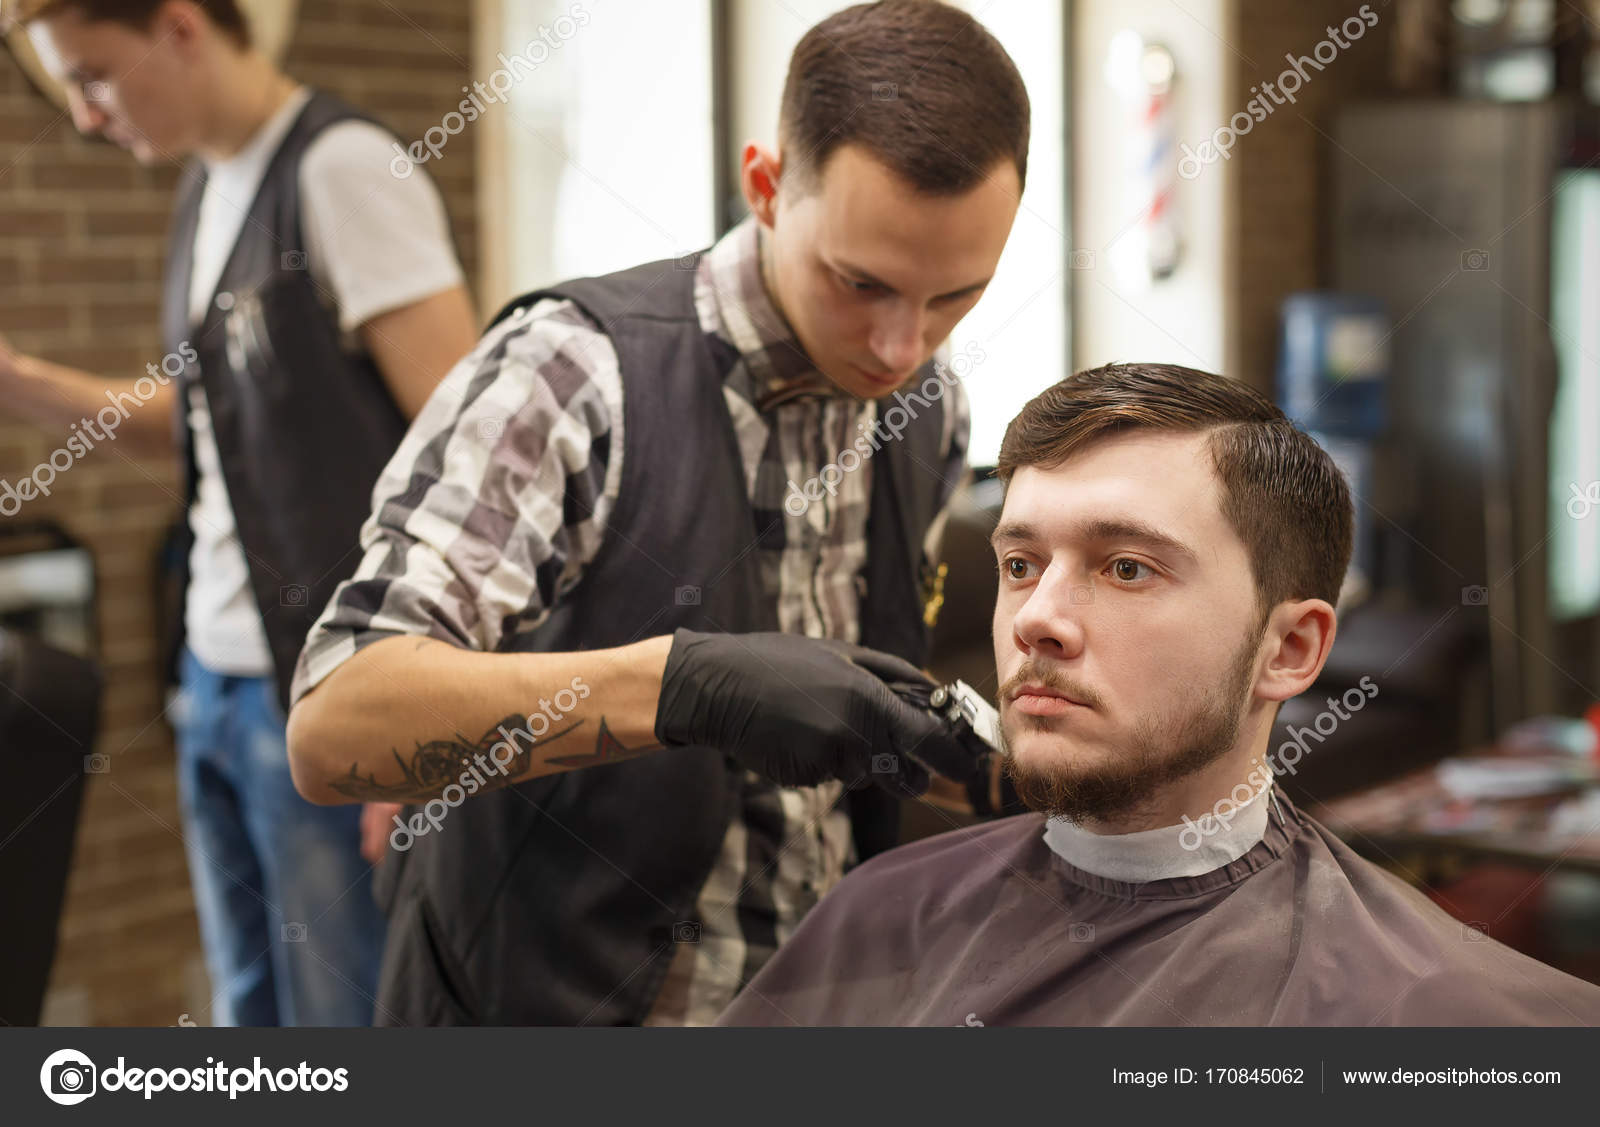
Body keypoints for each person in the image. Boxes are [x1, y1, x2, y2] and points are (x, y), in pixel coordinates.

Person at [284, 0, 1027, 1026]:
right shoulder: (575, 370)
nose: (903, 344)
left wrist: (1009, 777)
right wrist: (681, 685)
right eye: (862, 283)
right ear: (765, 186)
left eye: (955, 296)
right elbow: (334, 727)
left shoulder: (926, 406)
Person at [717, 363, 1600, 1026]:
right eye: (1020, 565)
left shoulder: (1437, 1012)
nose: (1039, 618)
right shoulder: (875, 923)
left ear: (1288, 649)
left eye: (1127, 567)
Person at [3, 0, 478, 1025]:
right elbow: (211, 424)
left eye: (91, 76)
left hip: (321, 691)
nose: (84, 115)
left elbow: (469, 465)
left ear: (179, 27)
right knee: (248, 1011)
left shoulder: (342, 170)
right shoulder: (209, 186)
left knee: (336, 1017)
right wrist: (20, 381)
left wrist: (417, 726)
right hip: (213, 678)